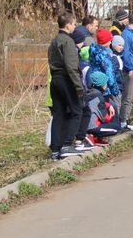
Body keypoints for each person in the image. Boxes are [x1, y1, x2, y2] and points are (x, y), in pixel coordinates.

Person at [47, 13, 86, 159]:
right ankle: (67, 145)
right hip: (66, 79)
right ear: (68, 25)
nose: (75, 27)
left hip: (55, 80)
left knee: (58, 114)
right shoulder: (68, 41)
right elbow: (71, 67)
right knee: (77, 111)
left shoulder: (54, 41)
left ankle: (55, 149)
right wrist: (78, 87)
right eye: (74, 24)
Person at [84, 71, 120, 146]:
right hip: (92, 126)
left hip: (85, 125)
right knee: (116, 127)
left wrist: (108, 105)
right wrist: (111, 115)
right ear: (102, 84)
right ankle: (91, 136)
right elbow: (105, 118)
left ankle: (96, 138)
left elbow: (95, 104)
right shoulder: (99, 96)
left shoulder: (90, 93)